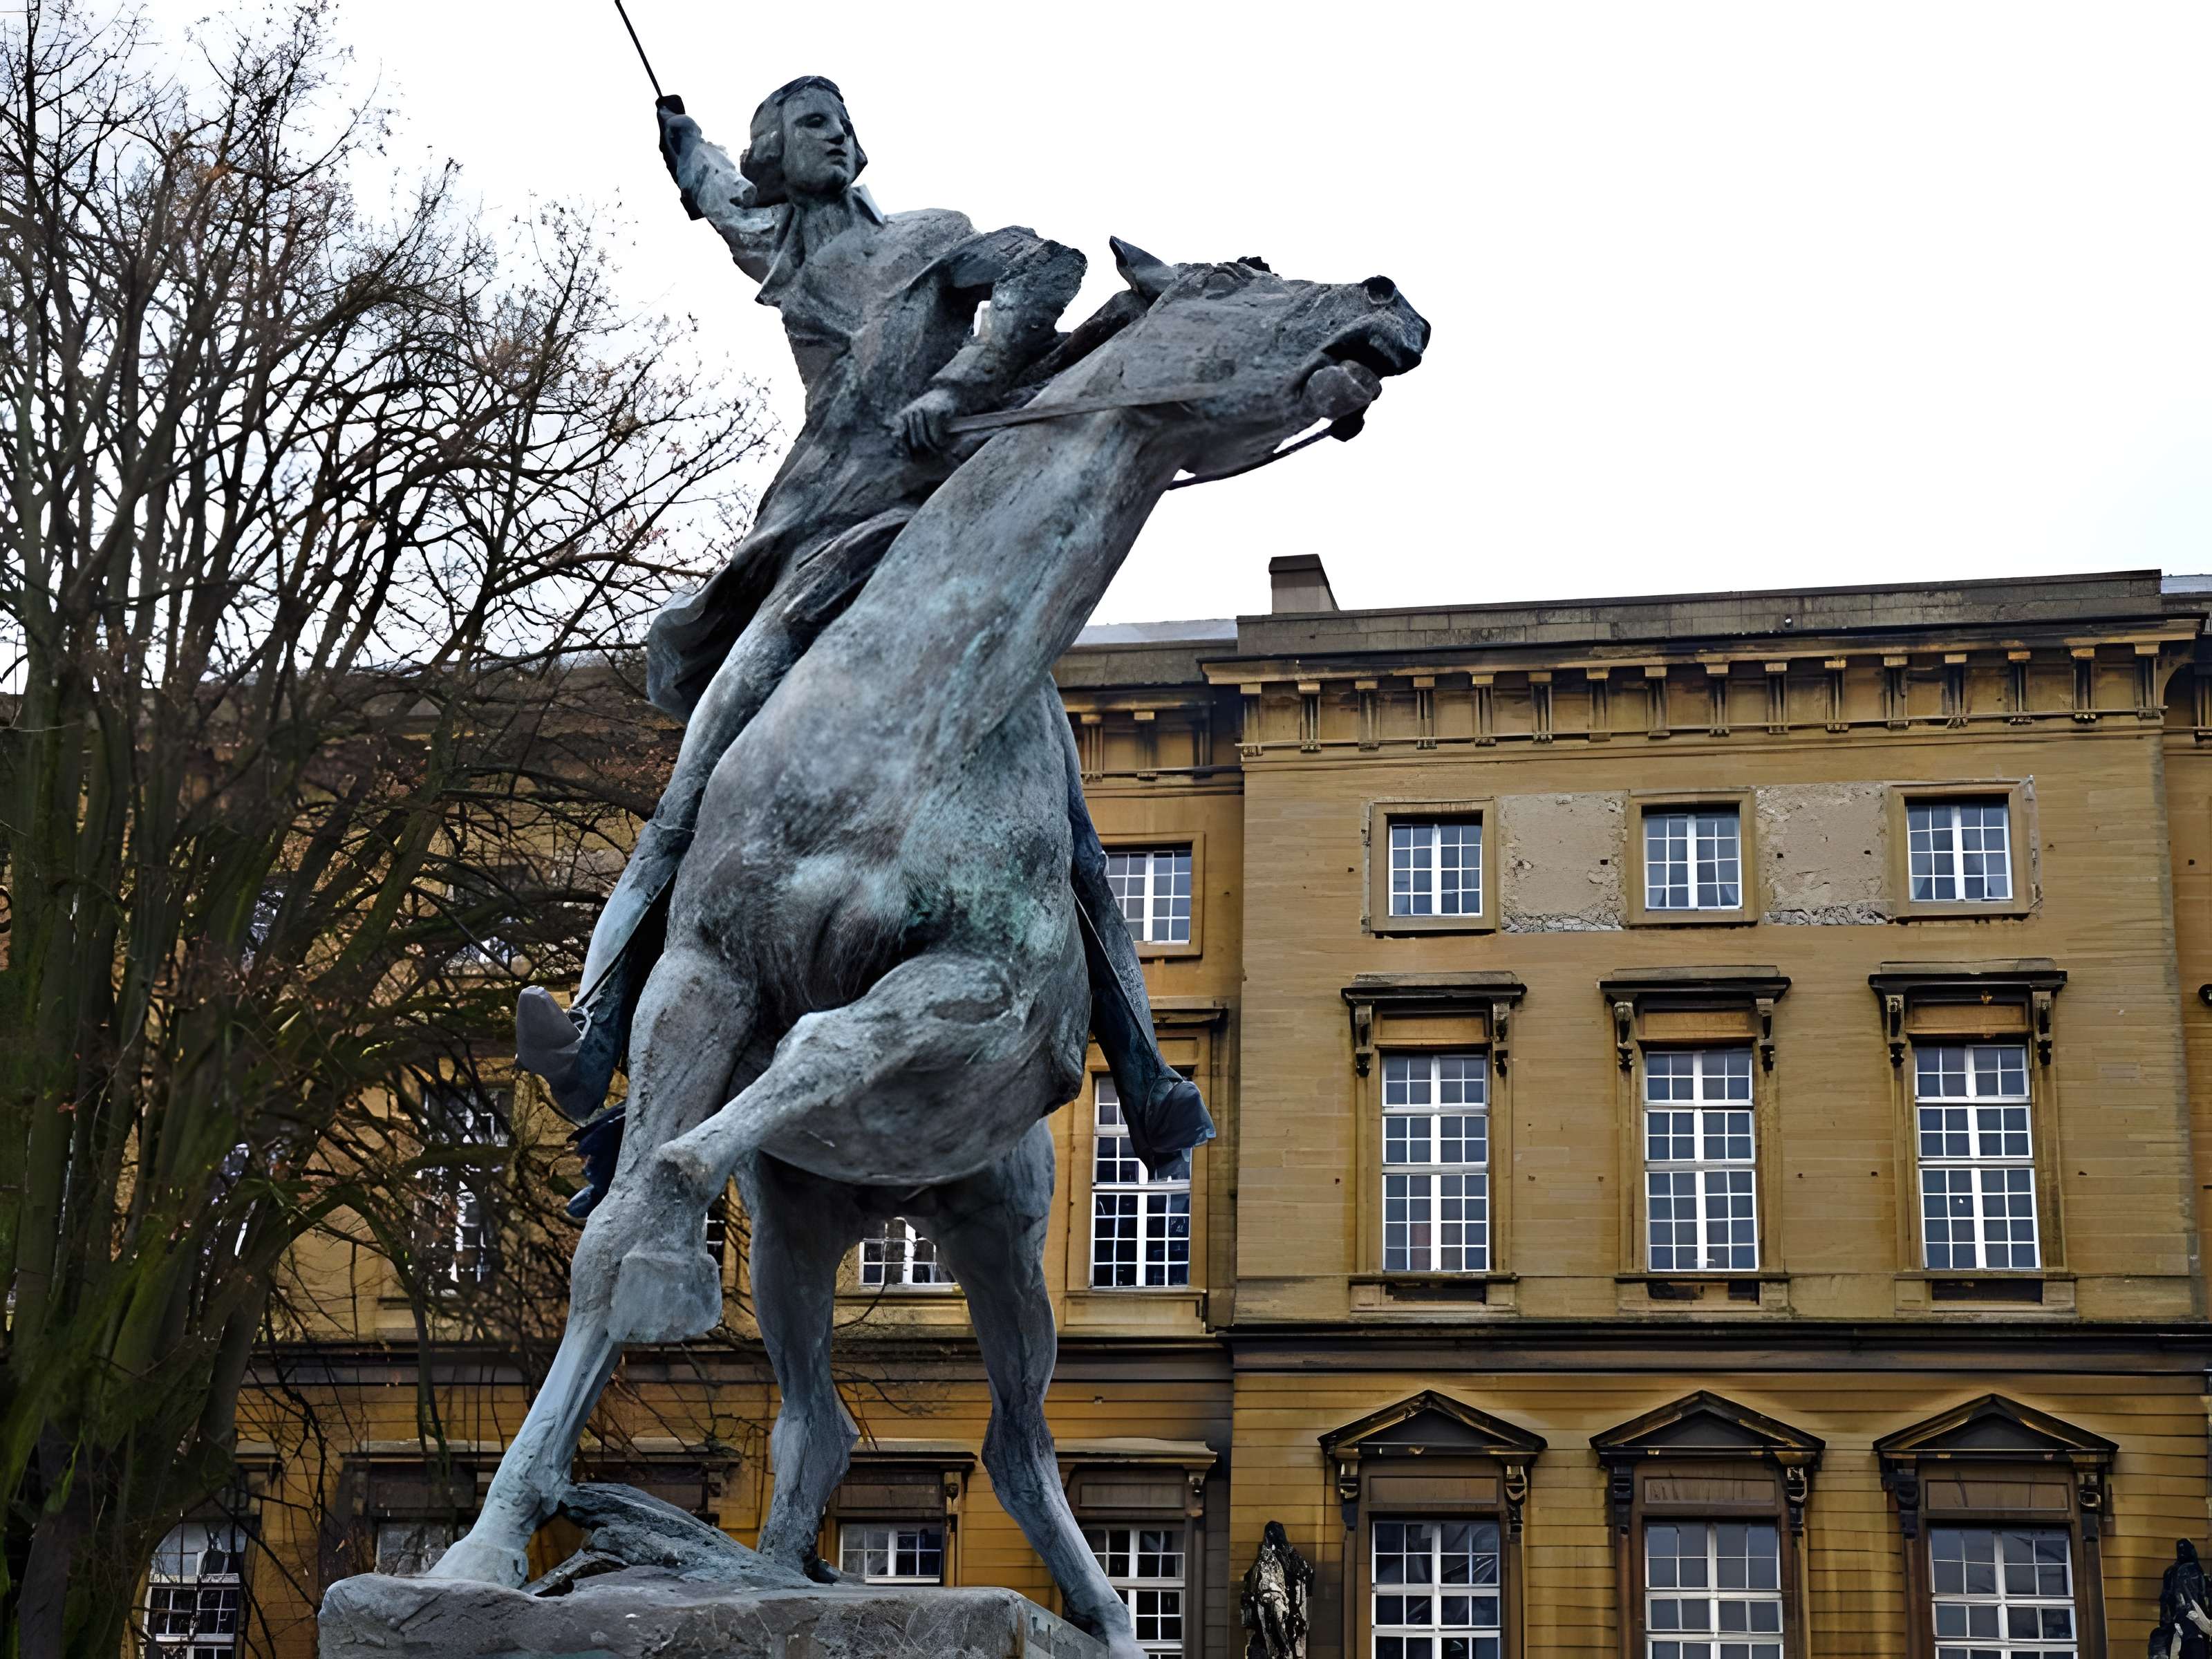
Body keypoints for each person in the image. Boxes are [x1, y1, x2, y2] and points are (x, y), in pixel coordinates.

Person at [518, 77, 1210, 1212]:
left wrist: (965, 379)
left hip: (944, 562)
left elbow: (1046, 270)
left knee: (1068, 832)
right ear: (775, 163)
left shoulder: (931, 242)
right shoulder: (783, 249)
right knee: (693, 796)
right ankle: (595, 1040)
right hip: (818, 549)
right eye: (805, 123)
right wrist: (683, 145)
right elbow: (719, 202)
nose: (832, 131)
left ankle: (1144, 1075)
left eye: (840, 116)